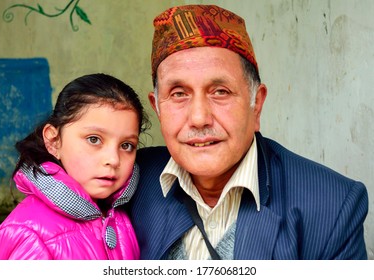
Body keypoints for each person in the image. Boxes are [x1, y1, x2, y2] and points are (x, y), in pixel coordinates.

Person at [129, 4, 369, 260]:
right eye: (178, 94)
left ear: (257, 104)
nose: (199, 118)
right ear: (157, 108)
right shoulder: (126, 182)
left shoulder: (330, 205)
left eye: (220, 91)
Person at [0, 73, 150, 260]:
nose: (113, 160)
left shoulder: (120, 215)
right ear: (54, 141)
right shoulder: (29, 235)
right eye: (94, 139)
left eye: (126, 145)